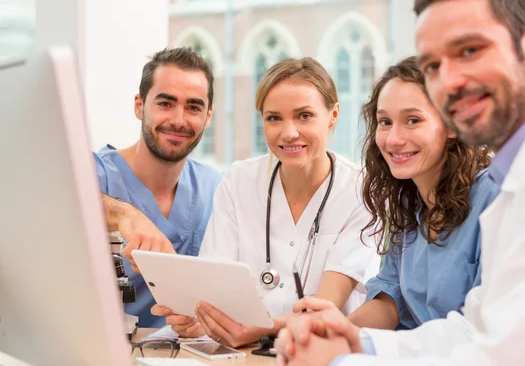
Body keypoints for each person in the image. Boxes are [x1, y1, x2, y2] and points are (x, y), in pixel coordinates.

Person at [275, 0, 525, 365]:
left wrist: (342, 359)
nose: (449, 80)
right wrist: (355, 340)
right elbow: (474, 326)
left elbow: (508, 354)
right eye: (432, 65)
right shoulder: (518, 179)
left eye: (470, 50)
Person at [152, 57, 380, 347]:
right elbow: (215, 285)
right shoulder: (239, 181)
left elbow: (324, 308)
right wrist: (200, 317)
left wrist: (263, 327)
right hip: (241, 354)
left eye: (304, 116)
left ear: (333, 115)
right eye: (274, 118)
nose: (289, 132)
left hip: (319, 354)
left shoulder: (362, 190)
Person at [287, 56, 497, 334]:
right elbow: (390, 301)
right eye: (384, 122)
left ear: (451, 125)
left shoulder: (493, 197)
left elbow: (487, 326)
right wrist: (333, 332)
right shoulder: (409, 205)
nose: (394, 139)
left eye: (412, 120)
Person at [96, 47, 221, 328]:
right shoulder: (95, 173)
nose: (179, 120)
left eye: (193, 107)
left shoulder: (215, 189)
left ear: (208, 116)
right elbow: (59, 200)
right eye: (165, 103)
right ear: (139, 106)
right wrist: (126, 214)